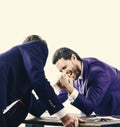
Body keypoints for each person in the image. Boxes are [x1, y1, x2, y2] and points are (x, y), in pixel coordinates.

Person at [0, 35, 85, 127]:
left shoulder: (23, 88)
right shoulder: (36, 46)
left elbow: (37, 109)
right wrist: (65, 117)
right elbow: (39, 80)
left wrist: (61, 90)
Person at [52, 47, 120, 116]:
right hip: (107, 118)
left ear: (74, 58)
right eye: (61, 71)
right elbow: (65, 97)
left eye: (64, 67)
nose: (64, 73)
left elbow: (88, 108)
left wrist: (68, 87)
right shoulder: (76, 72)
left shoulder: (98, 72)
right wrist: (61, 90)